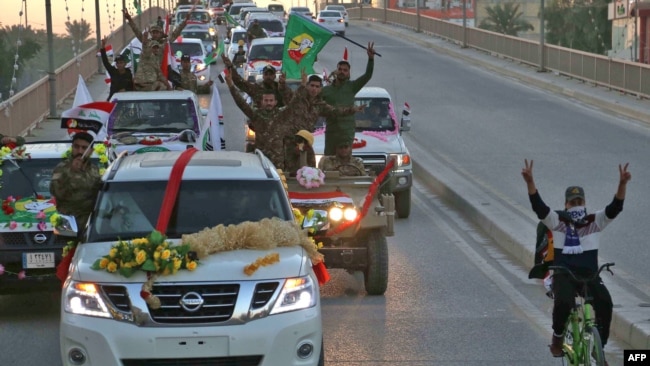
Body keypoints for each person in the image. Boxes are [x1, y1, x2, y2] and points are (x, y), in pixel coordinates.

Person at [521, 159, 631, 363]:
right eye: (572, 202)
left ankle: (599, 348)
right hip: (564, 274)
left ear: (584, 203)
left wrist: (622, 185)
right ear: (566, 204)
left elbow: (615, 207)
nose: (576, 205)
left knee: (605, 303)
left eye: (579, 202)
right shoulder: (558, 221)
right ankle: (558, 338)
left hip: (589, 275)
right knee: (563, 303)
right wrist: (530, 182)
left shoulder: (594, 221)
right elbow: (539, 207)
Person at [321, 42, 375, 155]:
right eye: (340, 69)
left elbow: (367, 75)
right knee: (329, 160)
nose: (342, 71)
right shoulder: (326, 90)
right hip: (332, 131)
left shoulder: (352, 87)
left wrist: (370, 59)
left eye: (345, 70)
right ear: (336, 71)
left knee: (345, 160)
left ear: (349, 73)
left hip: (346, 131)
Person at [50, 132, 102, 230]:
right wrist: (73, 172)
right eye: (76, 147)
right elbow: (57, 192)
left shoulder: (94, 169)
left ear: (91, 151)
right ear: (72, 147)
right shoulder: (62, 168)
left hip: (91, 225)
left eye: (84, 148)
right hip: (69, 224)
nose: (80, 151)